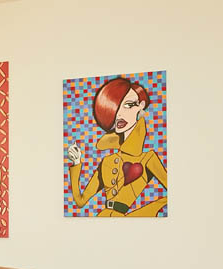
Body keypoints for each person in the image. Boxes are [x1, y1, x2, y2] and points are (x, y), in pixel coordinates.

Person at [66, 77, 167, 217]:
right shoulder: (107, 162)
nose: (119, 114)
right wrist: (77, 162)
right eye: (114, 107)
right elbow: (80, 201)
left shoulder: (148, 158)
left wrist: (149, 210)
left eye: (128, 105)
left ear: (141, 106)